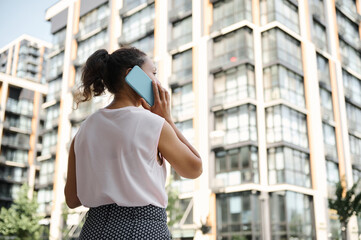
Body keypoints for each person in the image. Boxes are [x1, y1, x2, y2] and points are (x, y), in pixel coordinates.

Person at [64, 47, 202, 239]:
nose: (157, 81)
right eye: (153, 73)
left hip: (93, 230)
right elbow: (194, 169)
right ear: (132, 75)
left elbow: (72, 199)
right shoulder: (154, 124)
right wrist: (167, 120)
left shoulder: (83, 131)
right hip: (143, 228)